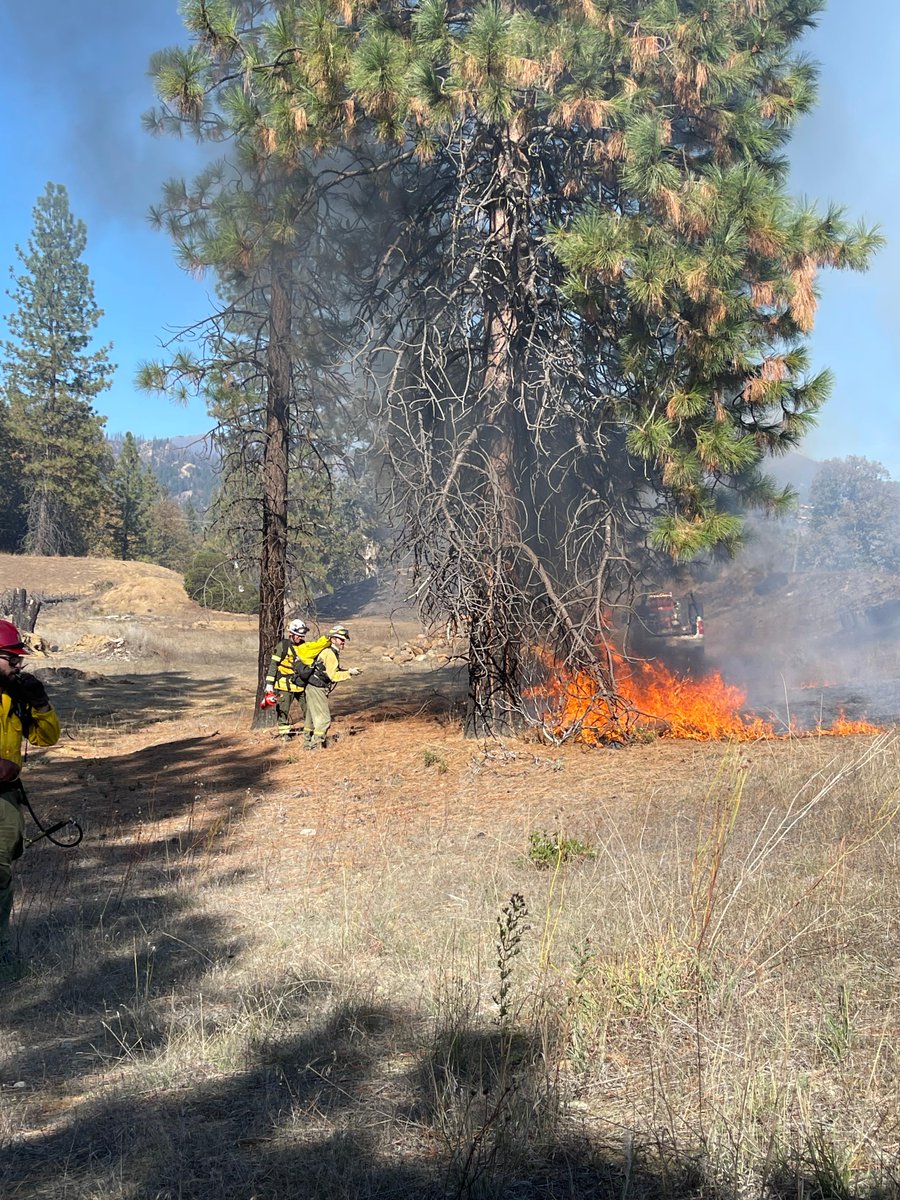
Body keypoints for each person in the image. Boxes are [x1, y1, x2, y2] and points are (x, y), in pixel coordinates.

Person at [0, 620, 61, 967]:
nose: (19, 666)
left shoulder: (16, 697)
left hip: (6, 797)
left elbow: (46, 738)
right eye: (12, 659)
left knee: (1, 870)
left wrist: (40, 704)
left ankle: (2, 950)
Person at [303, 625, 362, 750]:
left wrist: (347, 671)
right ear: (333, 639)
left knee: (311, 718)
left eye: (344, 639)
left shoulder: (328, 651)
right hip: (317, 688)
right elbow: (333, 675)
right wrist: (349, 673)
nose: (343, 642)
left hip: (312, 687)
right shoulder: (330, 653)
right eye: (341, 639)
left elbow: (331, 671)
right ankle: (315, 746)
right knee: (324, 719)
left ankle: (307, 743)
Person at [264, 618, 312, 739]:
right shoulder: (282, 646)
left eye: (302, 636)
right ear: (291, 634)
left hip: (300, 684)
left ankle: (310, 731)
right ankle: (284, 734)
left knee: (308, 708)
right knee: (283, 710)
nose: (300, 638)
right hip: (284, 685)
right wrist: (269, 683)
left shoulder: (304, 646)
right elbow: (273, 665)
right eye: (298, 636)